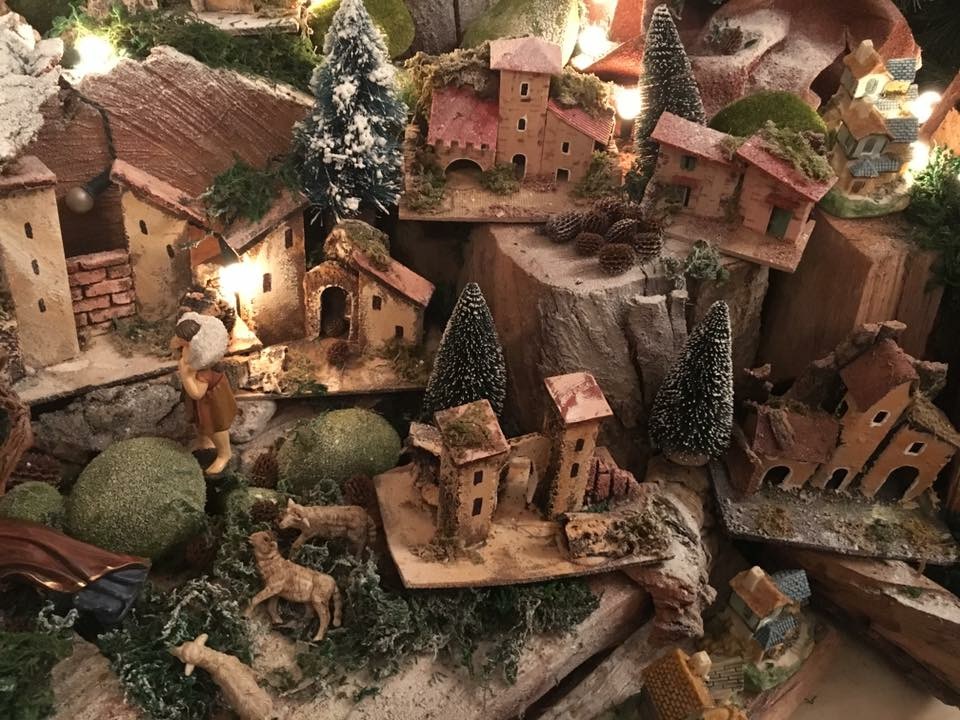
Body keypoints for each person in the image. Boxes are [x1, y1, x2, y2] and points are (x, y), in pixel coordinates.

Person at [170, 313, 237, 475]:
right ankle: (206, 441)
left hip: (212, 402)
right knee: (203, 423)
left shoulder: (204, 372)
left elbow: (197, 393)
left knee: (216, 426)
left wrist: (186, 376)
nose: (183, 349)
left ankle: (224, 453)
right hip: (204, 402)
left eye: (186, 345)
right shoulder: (194, 359)